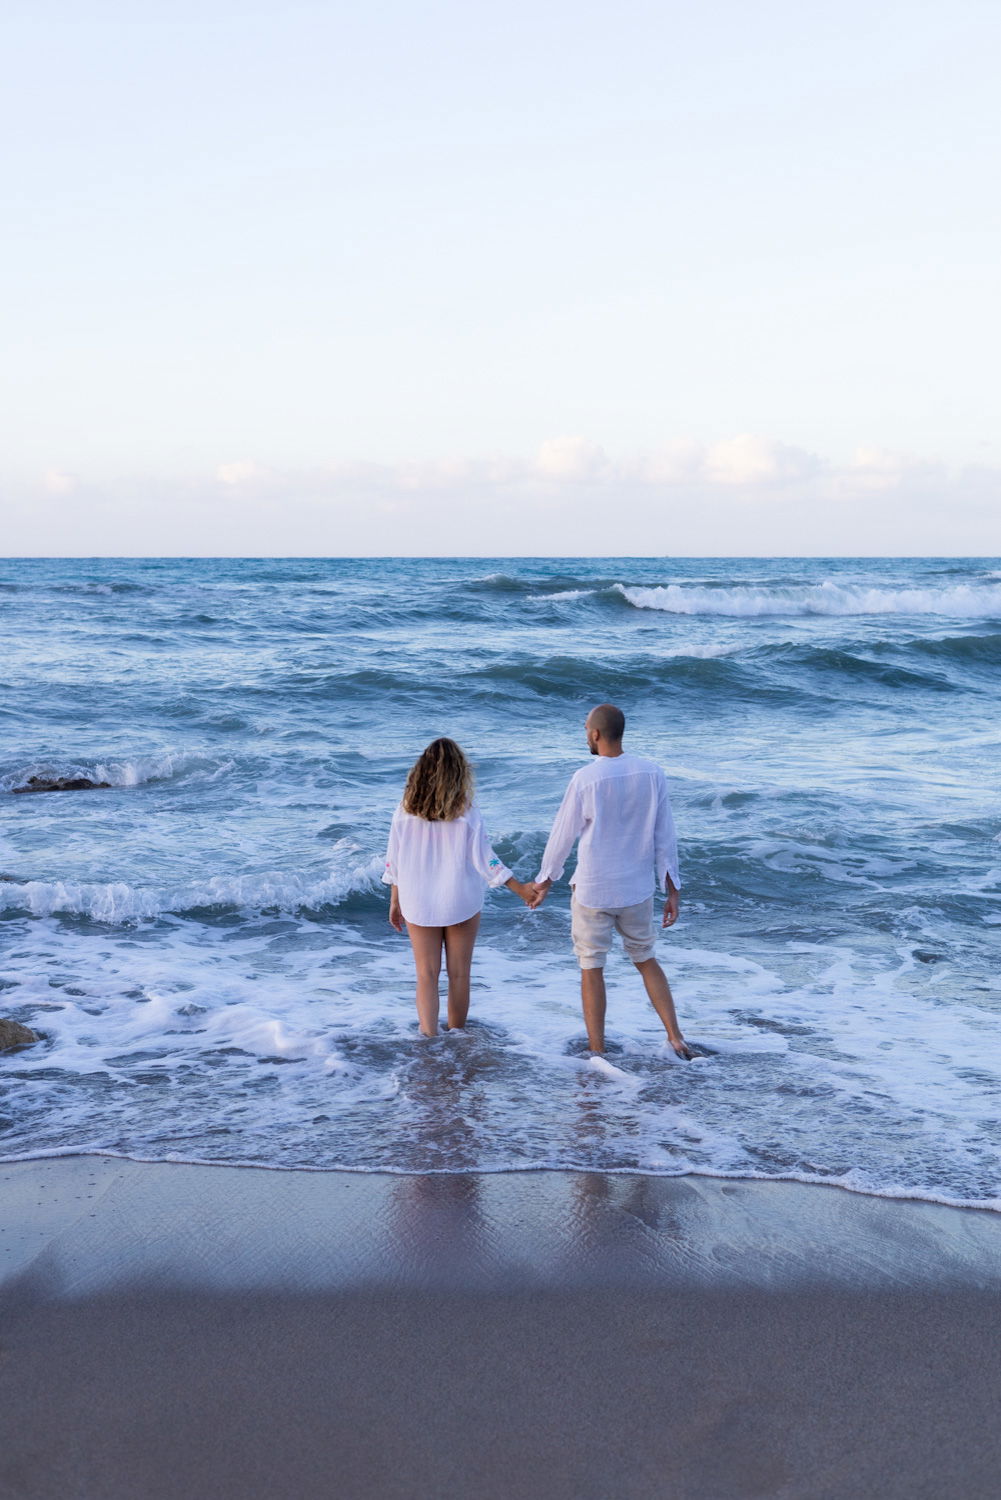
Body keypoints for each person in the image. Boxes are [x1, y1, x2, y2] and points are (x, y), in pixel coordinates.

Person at [530, 704, 693, 1059]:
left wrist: (545, 880)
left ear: (595, 734)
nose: (584, 731)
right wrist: (672, 890)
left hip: (594, 889)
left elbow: (562, 836)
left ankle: (598, 1051)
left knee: (591, 967)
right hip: (636, 888)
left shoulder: (585, 778)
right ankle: (676, 1037)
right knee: (646, 958)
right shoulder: (652, 773)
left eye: (585, 726)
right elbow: (666, 836)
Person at [384, 737, 535, 1036]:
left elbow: (394, 860)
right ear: (458, 773)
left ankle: (429, 1040)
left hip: (419, 901)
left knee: (426, 975)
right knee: (459, 974)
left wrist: (395, 900)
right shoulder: (466, 811)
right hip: (460, 900)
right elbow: (486, 860)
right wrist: (521, 888)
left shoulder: (404, 810)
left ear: (421, 771)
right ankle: (457, 1039)